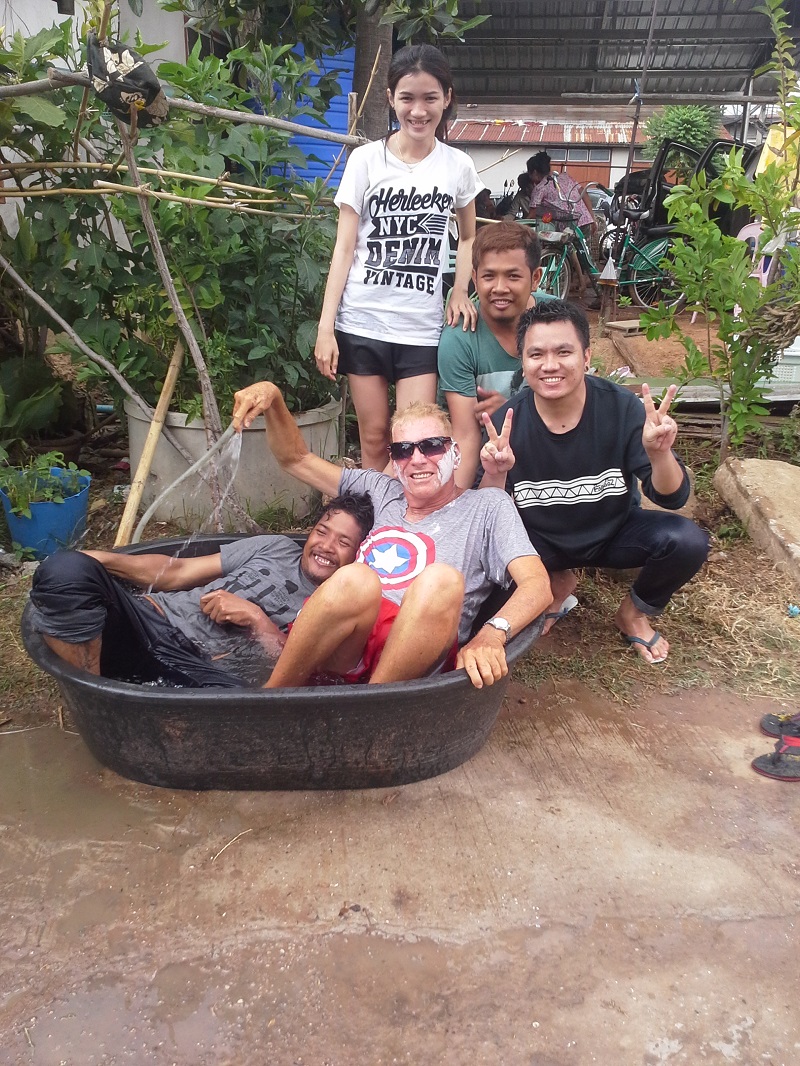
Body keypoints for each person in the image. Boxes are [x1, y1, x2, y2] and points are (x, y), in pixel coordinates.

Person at [232, 382, 551, 689]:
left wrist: (493, 633)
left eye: (431, 445)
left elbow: (537, 585)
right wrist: (273, 397)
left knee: (441, 580)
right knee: (355, 578)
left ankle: (376, 708)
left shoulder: (487, 506)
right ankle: (271, 701)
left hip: (417, 648)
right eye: (403, 450)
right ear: (394, 460)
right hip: (347, 638)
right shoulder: (380, 489)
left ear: (455, 452)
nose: (417, 458)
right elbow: (296, 459)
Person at [481, 300, 709, 665]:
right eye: (536, 354)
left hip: (612, 533)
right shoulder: (505, 423)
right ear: (522, 362)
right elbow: (487, 519)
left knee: (686, 541)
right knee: (487, 574)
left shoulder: (621, 408)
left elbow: (672, 498)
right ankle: (556, 582)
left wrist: (660, 453)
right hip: (540, 543)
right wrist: (496, 471)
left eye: (564, 351)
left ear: (586, 356)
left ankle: (632, 612)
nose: (550, 365)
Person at [314, 43, 484, 472]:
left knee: (416, 441)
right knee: (373, 437)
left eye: (430, 98)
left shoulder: (458, 166)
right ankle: (373, 529)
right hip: (363, 321)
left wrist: (460, 289)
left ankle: (406, 529)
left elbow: (467, 237)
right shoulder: (365, 161)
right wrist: (326, 327)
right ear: (391, 98)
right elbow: (344, 247)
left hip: (420, 329)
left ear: (447, 97)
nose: (419, 110)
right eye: (407, 98)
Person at [27, 493, 374, 688]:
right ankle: (97, 696)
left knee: (241, 714)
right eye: (322, 531)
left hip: (204, 670)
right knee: (64, 572)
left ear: (358, 552)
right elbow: (177, 572)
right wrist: (95, 559)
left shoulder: (342, 601)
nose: (326, 546)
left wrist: (256, 619)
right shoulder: (276, 547)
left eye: (343, 541)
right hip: (151, 621)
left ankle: (118, 702)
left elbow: (298, 676)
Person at [438, 222, 557, 488]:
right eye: (489, 276)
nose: (499, 288)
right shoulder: (460, 337)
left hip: (548, 451)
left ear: (535, 277)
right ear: (474, 276)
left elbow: (574, 406)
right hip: (486, 459)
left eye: (513, 276)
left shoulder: (557, 320)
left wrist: (511, 412)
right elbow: (466, 436)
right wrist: (456, 512)